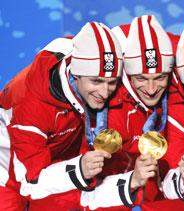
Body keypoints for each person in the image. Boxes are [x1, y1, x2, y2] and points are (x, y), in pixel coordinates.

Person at [0, 22, 123, 210]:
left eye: (112, 82)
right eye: (96, 81)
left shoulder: (85, 54)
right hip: (10, 169)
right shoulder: (30, 104)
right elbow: (30, 183)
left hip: (54, 159)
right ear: (76, 75)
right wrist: (79, 169)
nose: (105, 92)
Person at [88, 15, 184, 210]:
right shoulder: (99, 85)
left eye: (160, 77)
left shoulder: (180, 68)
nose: (151, 88)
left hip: (153, 136)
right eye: (141, 78)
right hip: (114, 153)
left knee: (175, 201)